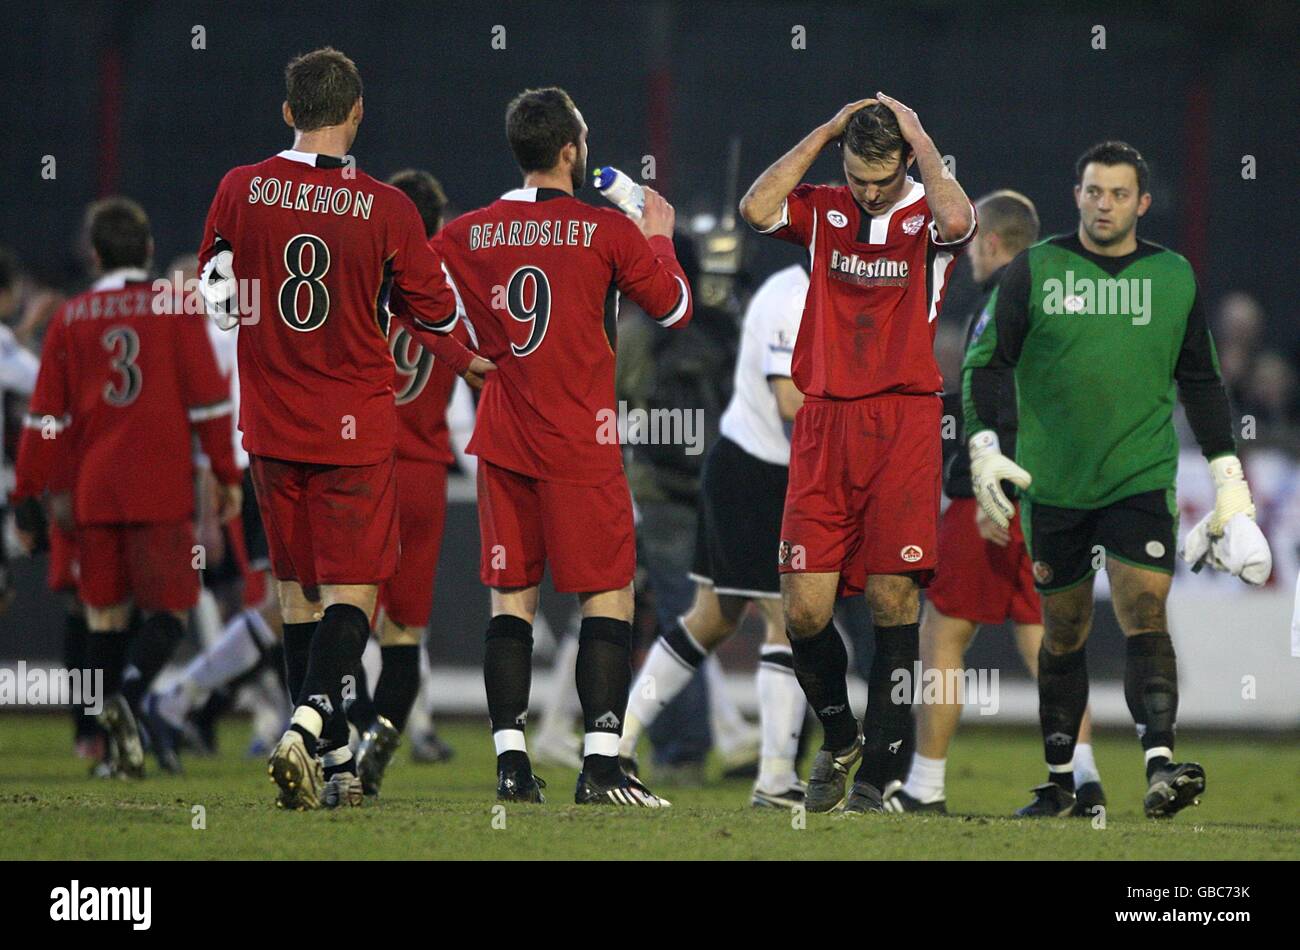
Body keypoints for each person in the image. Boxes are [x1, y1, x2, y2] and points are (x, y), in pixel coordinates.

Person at [197, 47, 485, 810]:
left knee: (296, 599)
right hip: (353, 427)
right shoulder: (389, 209)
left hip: (268, 425)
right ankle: (310, 723)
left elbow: (219, 304)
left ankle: (335, 766)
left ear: (288, 112)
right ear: (357, 114)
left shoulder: (238, 189)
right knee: (355, 593)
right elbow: (436, 309)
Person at [963, 141, 1270, 818]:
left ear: (1143, 203)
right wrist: (985, 449)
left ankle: (1160, 764)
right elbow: (984, 365)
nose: (1105, 204)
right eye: (1094, 192)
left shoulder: (1173, 277)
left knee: (1144, 610)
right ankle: (1062, 783)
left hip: (1139, 475)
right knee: (1064, 630)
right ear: (1076, 195)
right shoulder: (1035, 270)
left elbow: (1201, 380)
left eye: (1119, 194)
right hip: (1055, 484)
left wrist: (1229, 480)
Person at [433, 86, 691, 806]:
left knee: (510, 602)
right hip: (582, 440)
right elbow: (674, 306)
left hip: (506, 438)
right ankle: (601, 767)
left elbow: (405, 291)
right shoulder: (607, 231)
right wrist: (658, 233)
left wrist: (460, 358)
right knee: (606, 597)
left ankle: (512, 767)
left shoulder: (469, 232)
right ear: (572, 150)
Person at [740, 95, 975, 812]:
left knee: (891, 597)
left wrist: (922, 132)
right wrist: (824, 132)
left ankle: (875, 778)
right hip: (824, 424)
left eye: (881, 176)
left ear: (906, 160)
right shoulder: (821, 208)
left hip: (902, 423)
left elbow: (961, 219)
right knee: (804, 608)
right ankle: (841, 740)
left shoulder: (927, 221)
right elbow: (755, 209)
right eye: (856, 175)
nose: (867, 190)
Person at [889, 190, 1105, 815]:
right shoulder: (1067, 298)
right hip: (1053, 499)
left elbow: (998, 392)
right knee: (1046, 642)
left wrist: (995, 484)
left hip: (996, 495)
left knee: (943, 637)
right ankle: (1080, 782)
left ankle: (925, 786)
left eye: (970, 242)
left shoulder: (1002, 301)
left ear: (989, 243)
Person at [12, 197, 241, 778]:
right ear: (147, 250)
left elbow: (45, 418)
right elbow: (212, 405)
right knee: (171, 613)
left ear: (93, 254)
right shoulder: (177, 310)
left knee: (103, 619)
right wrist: (225, 475)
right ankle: (128, 705)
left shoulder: (71, 316)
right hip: (159, 487)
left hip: (93, 492)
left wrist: (28, 494)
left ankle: (109, 745)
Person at [620, 263, 810, 807]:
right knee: (786, 619)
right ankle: (775, 779)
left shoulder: (817, 291)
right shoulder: (790, 294)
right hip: (758, 472)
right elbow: (791, 401)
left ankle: (620, 741)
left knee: (710, 619)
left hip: (758, 468)